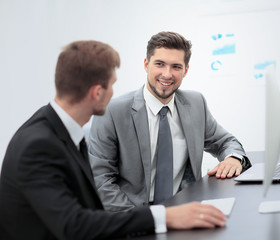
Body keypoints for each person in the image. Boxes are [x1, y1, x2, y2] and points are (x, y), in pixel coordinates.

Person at [0, 40, 227, 240]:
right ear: (97, 92)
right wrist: (163, 217)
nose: (113, 94)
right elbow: (75, 225)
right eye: (112, 84)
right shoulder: (38, 145)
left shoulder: (60, 130)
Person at [88, 31, 252, 212]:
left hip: (186, 209)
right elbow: (100, 181)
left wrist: (233, 158)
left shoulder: (196, 103)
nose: (167, 74)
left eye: (176, 67)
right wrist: (147, 220)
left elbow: (225, 142)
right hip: (135, 216)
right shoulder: (112, 111)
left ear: (186, 70)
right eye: (160, 64)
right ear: (146, 64)